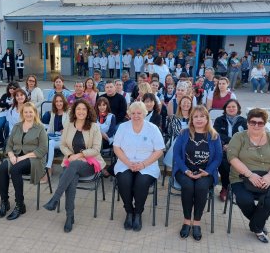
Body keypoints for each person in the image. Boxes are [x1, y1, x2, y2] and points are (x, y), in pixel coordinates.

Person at [43, 99, 106, 233]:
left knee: (73, 167)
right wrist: (70, 155)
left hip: (89, 163)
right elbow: (63, 145)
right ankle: (69, 216)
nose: (81, 112)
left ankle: (55, 199)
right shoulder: (69, 125)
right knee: (71, 180)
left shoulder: (94, 126)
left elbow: (96, 149)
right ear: (74, 111)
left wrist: (79, 155)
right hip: (71, 162)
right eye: (78, 109)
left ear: (88, 111)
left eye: (84, 109)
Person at [227, 108, 270, 243]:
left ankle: (256, 225)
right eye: (253, 122)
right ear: (247, 122)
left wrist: (269, 176)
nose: (256, 125)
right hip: (241, 178)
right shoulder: (239, 137)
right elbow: (231, 157)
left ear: (265, 124)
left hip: (269, 180)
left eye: (260, 123)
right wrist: (250, 175)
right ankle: (258, 226)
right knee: (244, 200)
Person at [173, 105, 222, 241]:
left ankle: (197, 222)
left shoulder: (214, 136)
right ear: (191, 119)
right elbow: (176, 155)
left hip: (206, 172)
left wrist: (207, 171)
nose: (199, 119)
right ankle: (187, 220)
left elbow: (218, 157)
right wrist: (186, 170)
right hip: (184, 170)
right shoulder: (184, 133)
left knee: (201, 187)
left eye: (202, 116)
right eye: (196, 116)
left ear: (207, 119)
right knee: (188, 186)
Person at [113, 102, 164, 231]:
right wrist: (128, 163)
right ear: (129, 114)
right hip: (126, 163)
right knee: (124, 180)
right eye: (133, 113)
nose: (136, 115)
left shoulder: (152, 128)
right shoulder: (123, 127)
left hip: (147, 164)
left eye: (139, 113)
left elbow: (159, 151)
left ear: (145, 113)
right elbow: (116, 147)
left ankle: (138, 213)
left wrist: (143, 164)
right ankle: (129, 212)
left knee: (141, 183)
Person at [0, 102, 48, 219]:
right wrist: (11, 156)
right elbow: (9, 145)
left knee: (15, 169)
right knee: (2, 168)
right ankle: (4, 201)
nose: (28, 114)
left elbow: (43, 149)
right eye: (26, 112)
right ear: (22, 113)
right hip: (16, 156)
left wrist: (23, 157)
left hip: (34, 159)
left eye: (31, 112)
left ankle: (20, 205)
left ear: (35, 113)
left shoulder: (40, 128)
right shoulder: (17, 126)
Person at [212, 99, 248, 202]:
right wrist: (226, 144)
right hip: (223, 148)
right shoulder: (219, 120)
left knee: (237, 164)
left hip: (239, 150)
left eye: (233, 107)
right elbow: (216, 134)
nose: (231, 109)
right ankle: (225, 188)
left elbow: (245, 137)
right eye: (229, 107)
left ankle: (235, 188)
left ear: (238, 108)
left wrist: (232, 145)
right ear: (225, 109)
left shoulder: (244, 121)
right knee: (223, 163)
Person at [42, 93, 69, 183]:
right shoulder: (53, 113)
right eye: (56, 101)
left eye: (60, 101)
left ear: (64, 102)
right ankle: (48, 169)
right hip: (55, 138)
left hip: (65, 140)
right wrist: (45, 136)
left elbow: (72, 127)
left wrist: (65, 130)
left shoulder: (68, 112)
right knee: (47, 143)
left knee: (50, 143)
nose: (58, 103)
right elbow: (50, 127)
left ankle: (48, 170)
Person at [0, 82, 20, 146]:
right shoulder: (5, 95)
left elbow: (15, 106)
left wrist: (5, 105)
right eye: (10, 88)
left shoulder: (18, 96)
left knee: (7, 126)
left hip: (13, 113)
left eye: (14, 88)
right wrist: (7, 104)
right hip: (4, 113)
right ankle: (1, 140)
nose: (12, 89)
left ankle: (7, 141)